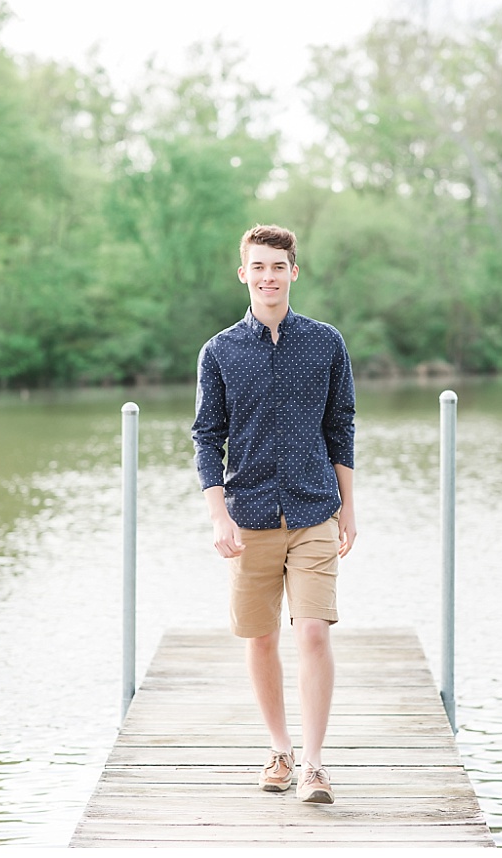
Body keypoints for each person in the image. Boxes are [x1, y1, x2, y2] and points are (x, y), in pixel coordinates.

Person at [191, 224, 356, 805]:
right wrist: (219, 518)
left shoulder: (327, 343)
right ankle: (280, 750)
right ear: (244, 274)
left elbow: (341, 428)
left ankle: (314, 764)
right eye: (257, 267)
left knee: (312, 632)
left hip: (315, 510)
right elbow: (207, 438)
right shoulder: (220, 351)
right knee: (260, 639)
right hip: (250, 516)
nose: (268, 277)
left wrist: (349, 510)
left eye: (277, 267)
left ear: (293, 272)